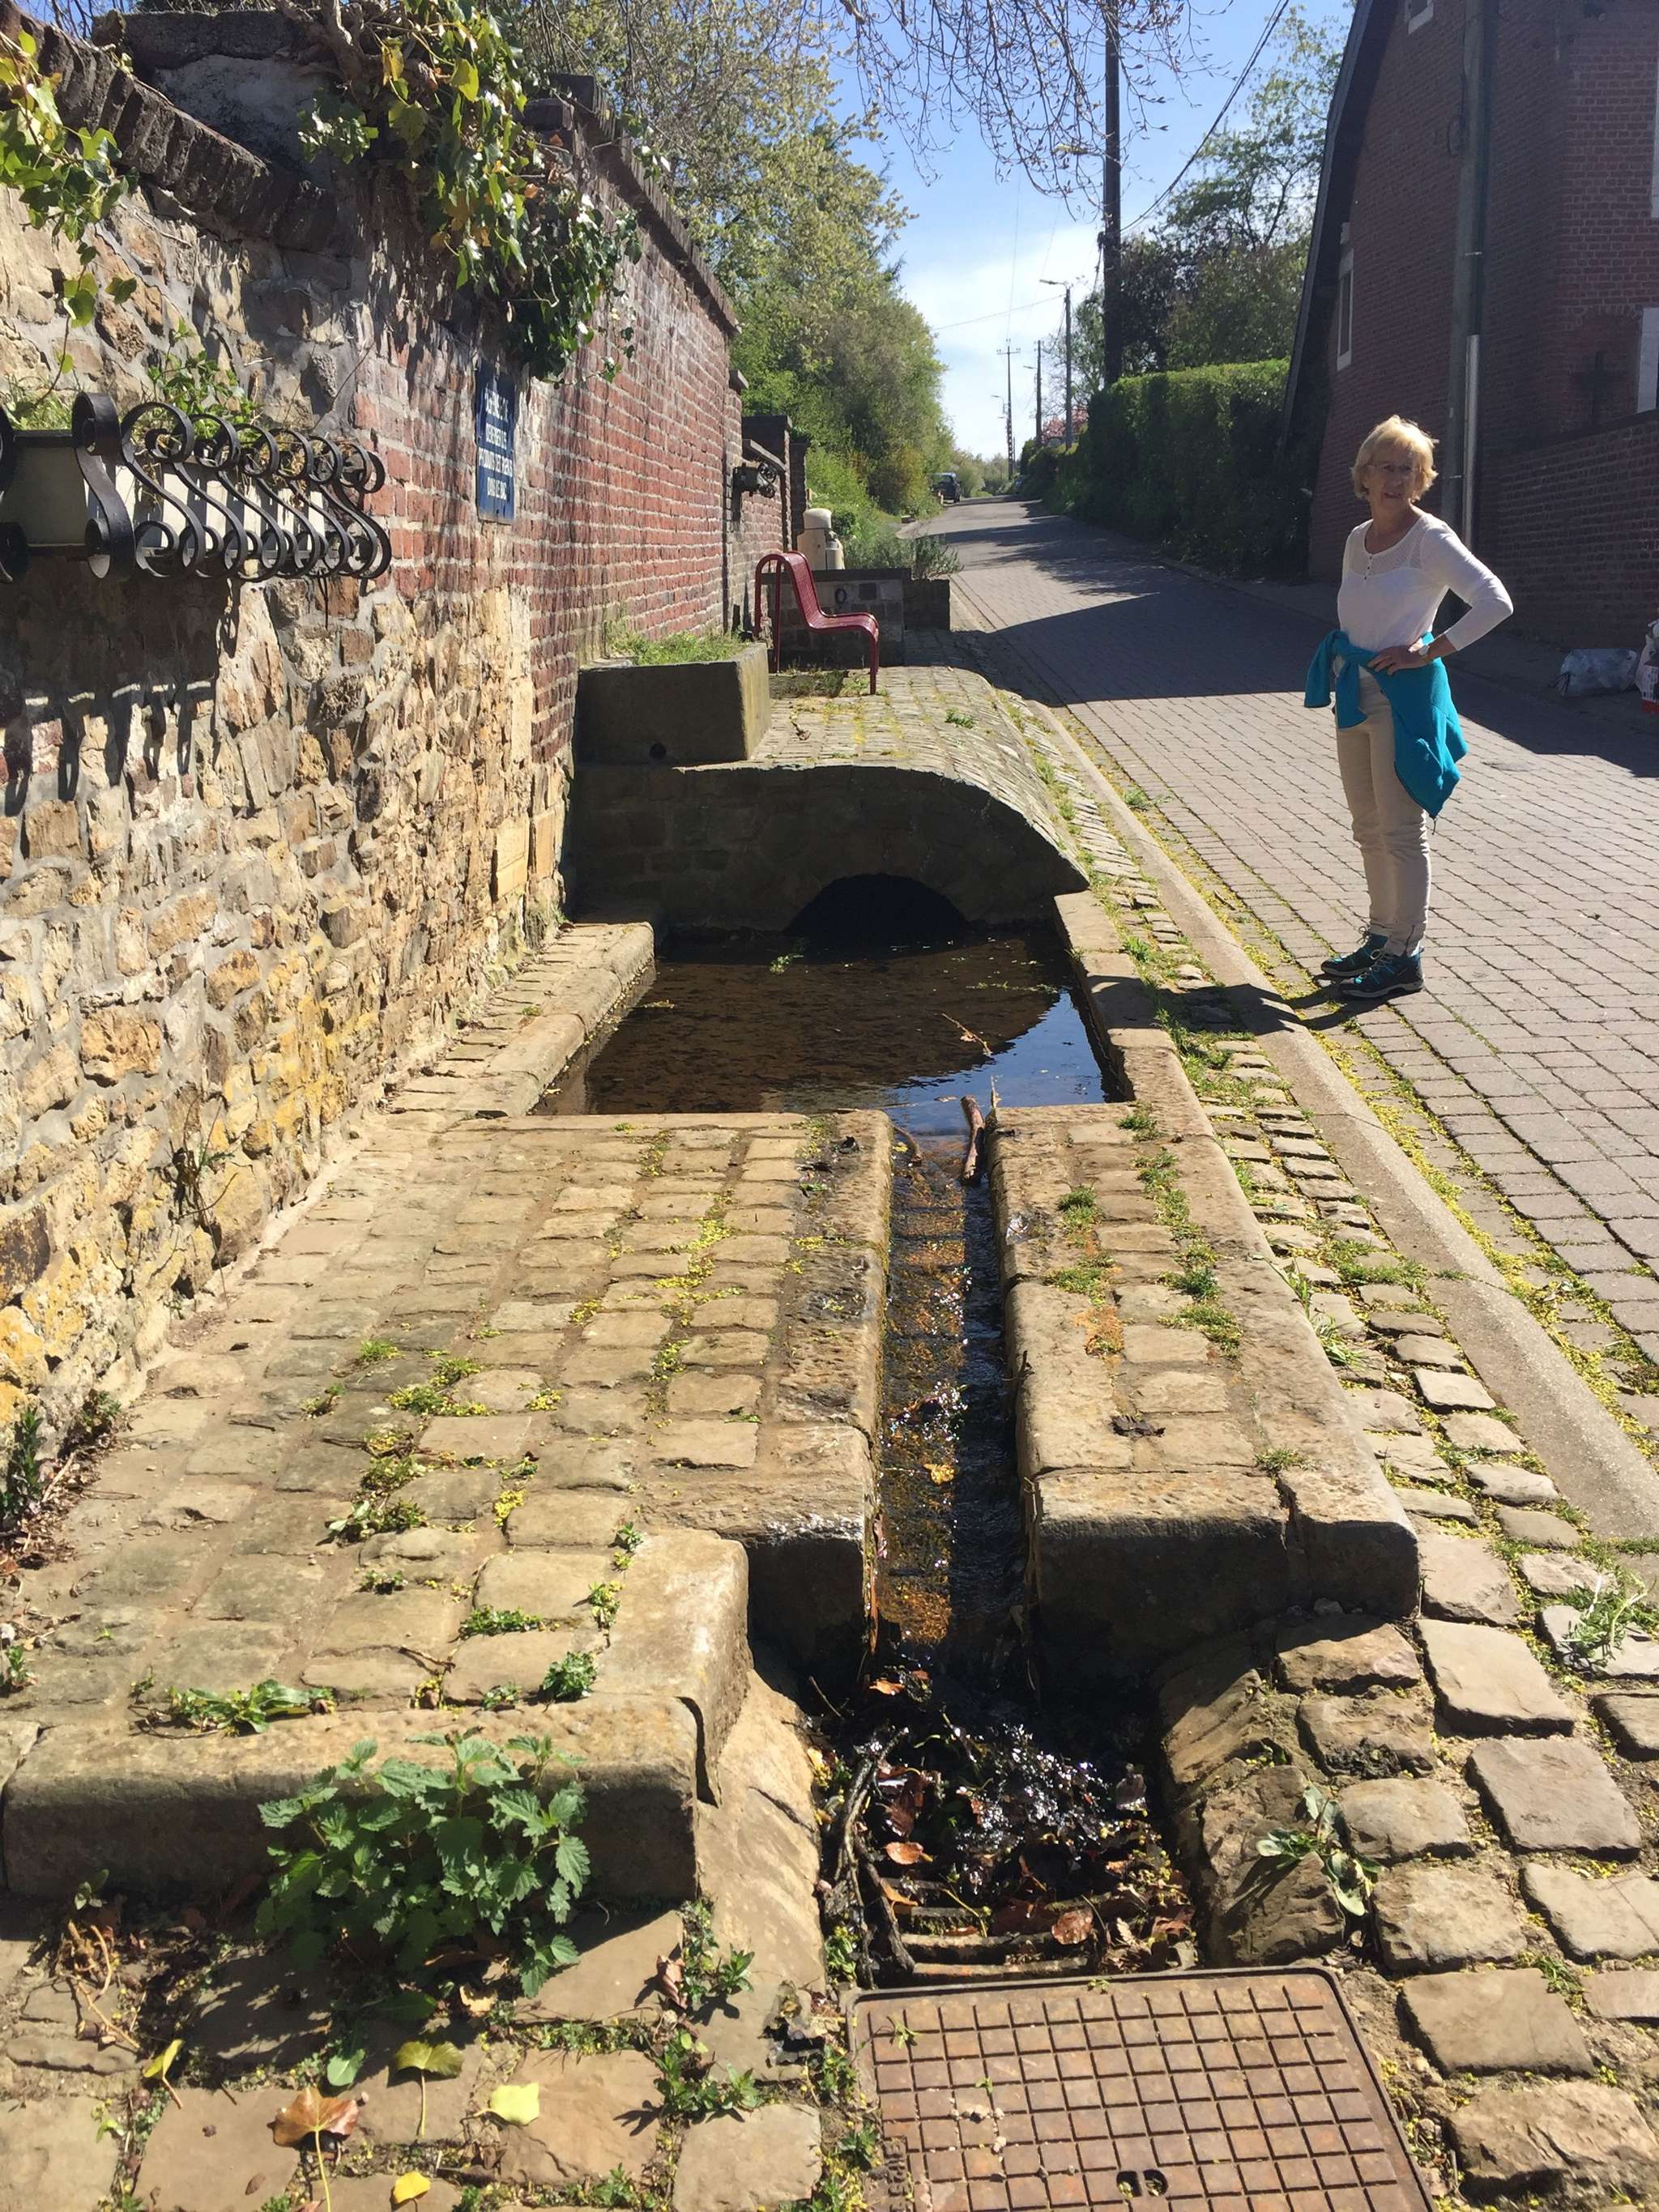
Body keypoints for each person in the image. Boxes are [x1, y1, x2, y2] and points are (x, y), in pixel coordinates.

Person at [1303, 415, 1512, 1003]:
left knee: (1400, 830)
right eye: (1385, 467)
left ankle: (1405, 954)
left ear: (1421, 479)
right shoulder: (1356, 539)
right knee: (1367, 826)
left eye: (1408, 469)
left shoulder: (1431, 540)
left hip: (1402, 699)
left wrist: (1429, 649)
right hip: (1354, 694)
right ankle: (1379, 937)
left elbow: (1495, 601)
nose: (1395, 479)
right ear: (1365, 475)